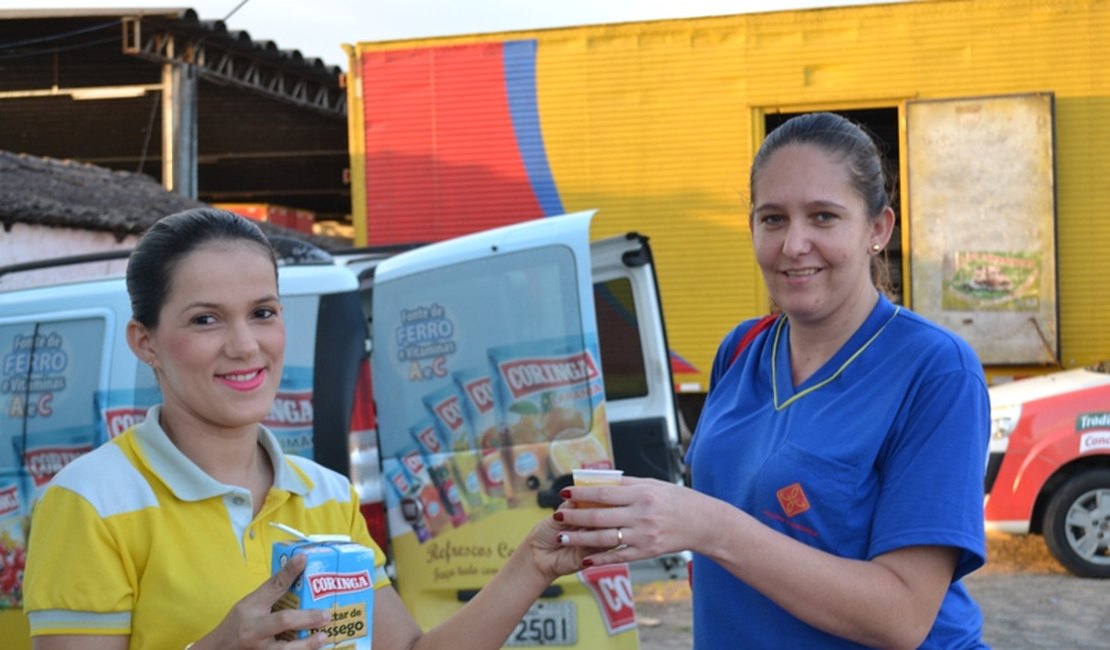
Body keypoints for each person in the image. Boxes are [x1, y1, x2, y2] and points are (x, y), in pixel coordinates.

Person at [22, 207, 588, 650]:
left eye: (263, 312)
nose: (245, 345)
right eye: (205, 319)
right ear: (145, 342)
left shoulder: (327, 496)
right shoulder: (89, 503)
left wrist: (531, 566)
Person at [557, 112, 990, 649]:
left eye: (824, 217)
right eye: (774, 219)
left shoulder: (935, 369)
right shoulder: (741, 349)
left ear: (878, 229)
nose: (794, 244)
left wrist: (710, 527)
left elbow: (902, 616)